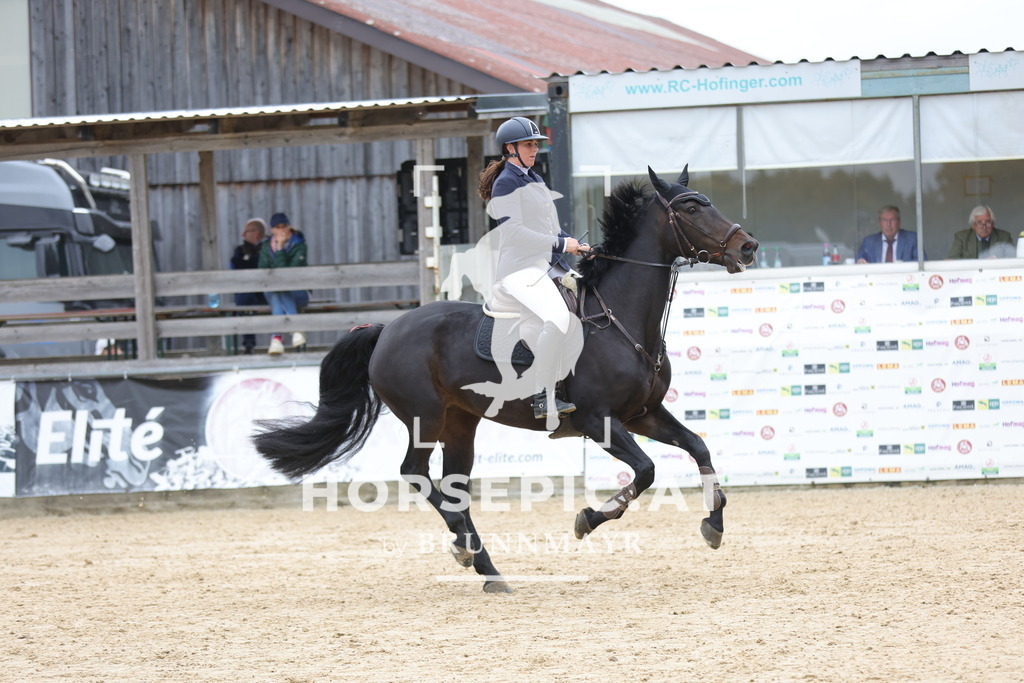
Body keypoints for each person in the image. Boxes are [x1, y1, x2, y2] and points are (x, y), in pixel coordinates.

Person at [470, 116, 590, 426]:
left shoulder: (534, 179)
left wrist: (576, 245)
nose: (534, 149)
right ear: (510, 148)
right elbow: (513, 233)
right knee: (558, 318)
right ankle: (542, 396)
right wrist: (562, 244)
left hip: (547, 266)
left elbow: (551, 227)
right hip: (520, 270)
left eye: (536, 144)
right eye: (528, 144)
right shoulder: (506, 182)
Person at [259, 212, 309, 355]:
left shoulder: (299, 244)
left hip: (298, 292)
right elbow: (262, 268)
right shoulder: (265, 246)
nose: (281, 230)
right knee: (277, 291)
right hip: (273, 291)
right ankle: (297, 330)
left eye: (284, 226)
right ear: (272, 230)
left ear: (289, 227)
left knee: (280, 291)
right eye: (277, 227)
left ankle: (277, 338)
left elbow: (289, 274)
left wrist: (280, 249)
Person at [229, 217, 268, 354]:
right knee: (244, 298)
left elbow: (264, 266)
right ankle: (249, 345)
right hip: (247, 291)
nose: (243, 235)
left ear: (257, 232)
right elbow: (236, 267)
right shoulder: (240, 250)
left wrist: (250, 262)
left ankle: (277, 343)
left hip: (267, 292)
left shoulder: (270, 246)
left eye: (247, 231)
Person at [856, 205, 923, 263]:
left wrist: (902, 266)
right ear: (879, 223)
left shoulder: (912, 239)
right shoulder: (869, 242)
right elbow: (859, 260)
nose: (889, 224)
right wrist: (861, 261)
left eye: (892, 220)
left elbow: (921, 262)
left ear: (899, 222)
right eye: (885, 220)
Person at [948, 205, 1015, 259]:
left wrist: (997, 261)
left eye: (988, 222)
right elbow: (952, 260)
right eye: (979, 222)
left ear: (993, 224)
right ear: (973, 225)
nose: (984, 226)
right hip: (971, 274)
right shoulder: (961, 238)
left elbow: (1013, 259)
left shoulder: (1004, 237)